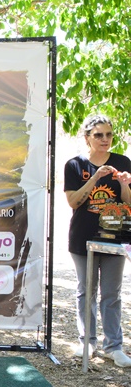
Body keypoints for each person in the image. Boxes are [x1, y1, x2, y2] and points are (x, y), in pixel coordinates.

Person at [64, 115, 131, 367]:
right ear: (87, 138)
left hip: (117, 237)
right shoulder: (74, 165)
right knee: (86, 291)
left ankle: (113, 346)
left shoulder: (122, 162)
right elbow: (72, 201)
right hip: (83, 236)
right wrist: (93, 178)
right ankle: (87, 341)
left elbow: (128, 202)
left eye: (109, 135)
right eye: (99, 135)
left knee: (111, 293)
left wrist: (124, 184)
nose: (105, 139)